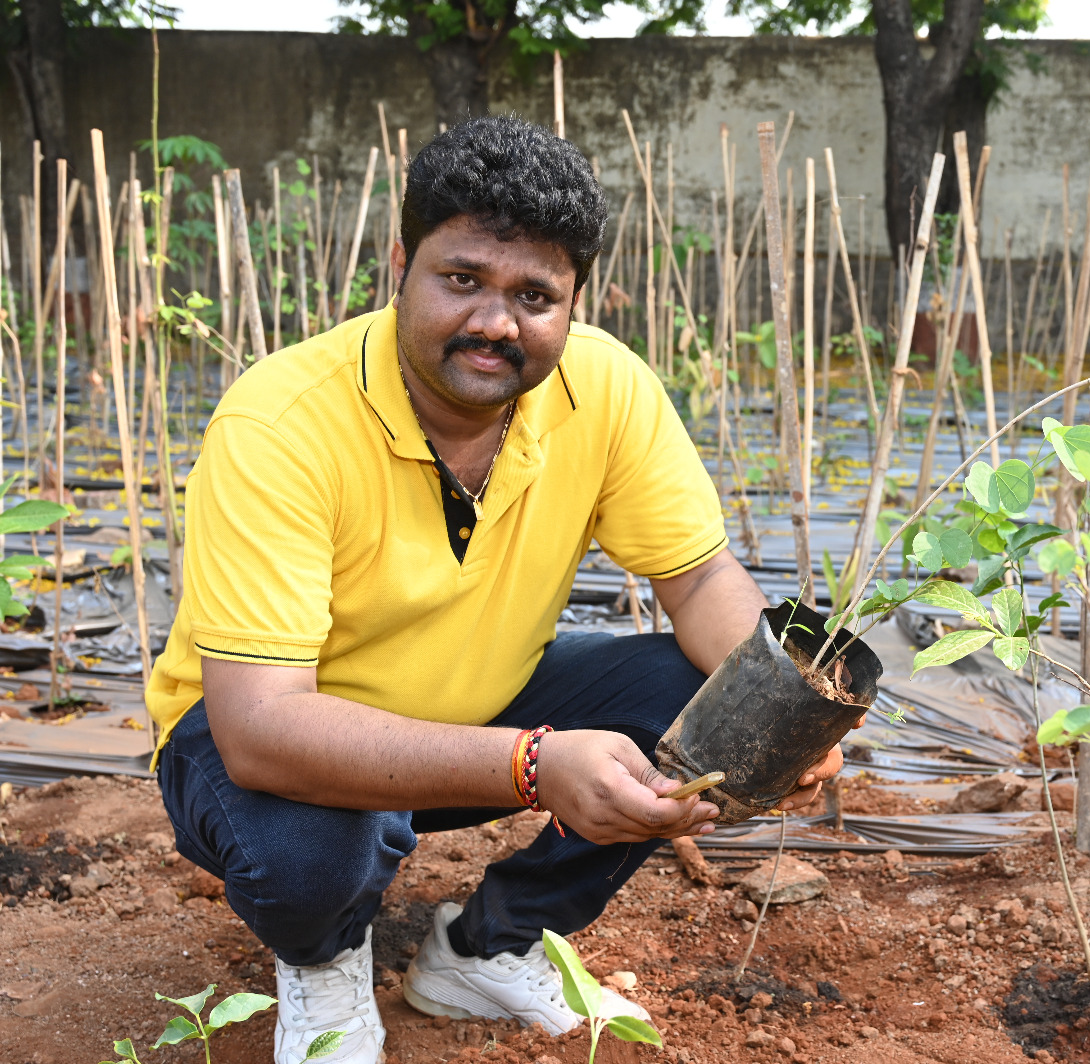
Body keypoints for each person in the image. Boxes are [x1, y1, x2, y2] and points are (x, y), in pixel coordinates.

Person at [148, 115, 843, 1064]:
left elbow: (699, 580)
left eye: (534, 294)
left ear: (575, 302)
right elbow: (263, 730)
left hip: (485, 712)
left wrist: (786, 712)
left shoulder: (605, 389)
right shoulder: (281, 423)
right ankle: (321, 958)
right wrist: (533, 763)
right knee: (314, 854)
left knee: (712, 703)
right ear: (400, 264)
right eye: (462, 279)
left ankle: (485, 945)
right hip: (264, 753)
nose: (494, 323)